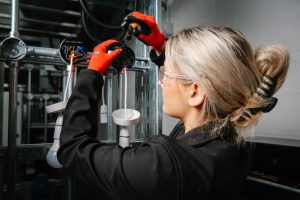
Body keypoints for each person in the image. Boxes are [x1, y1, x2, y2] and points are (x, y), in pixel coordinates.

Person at [57, 11, 289, 200]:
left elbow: (72, 148)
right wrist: (161, 46)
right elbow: (201, 79)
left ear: (196, 92)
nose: (160, 82)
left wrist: (92, 75)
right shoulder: (230, 145)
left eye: (166, 75)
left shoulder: (160, 166)